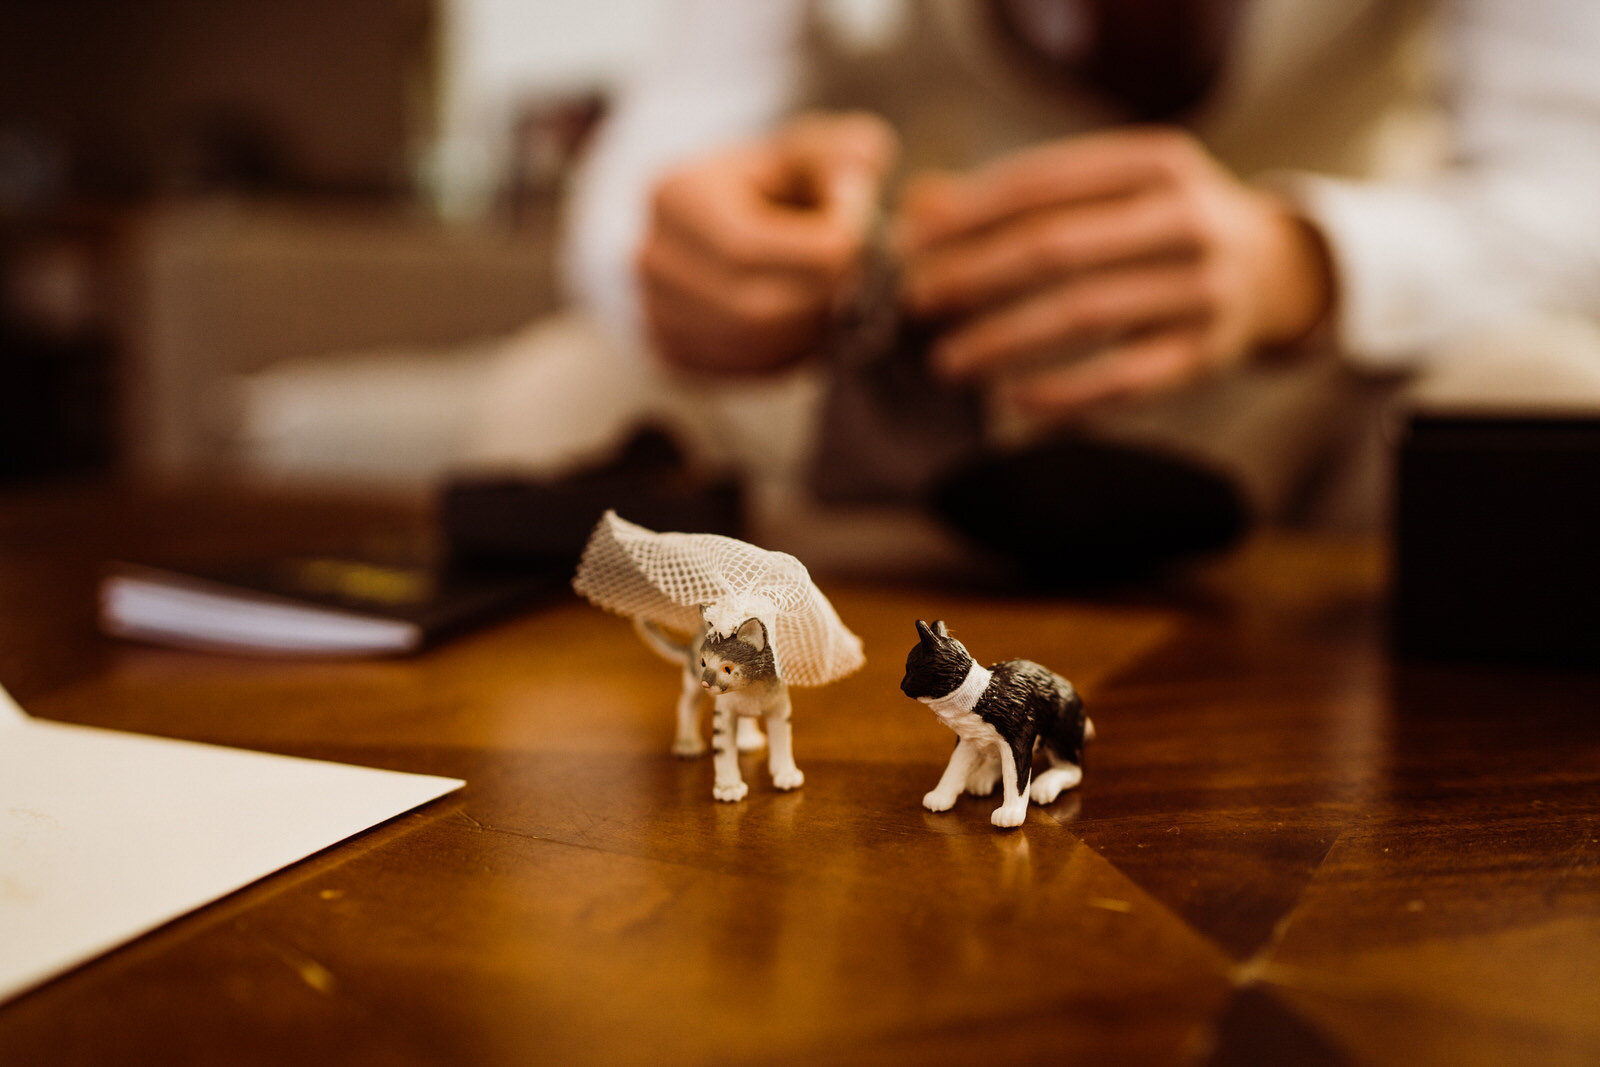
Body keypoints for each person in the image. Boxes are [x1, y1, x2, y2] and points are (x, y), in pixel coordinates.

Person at [557, 0, 1600, 557]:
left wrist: (1307, 263)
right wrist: (705, 265)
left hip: (1323, 385)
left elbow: (1573, 181)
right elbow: (636, 195)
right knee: (563, 403)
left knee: (1556, 407)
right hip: (913, 413)